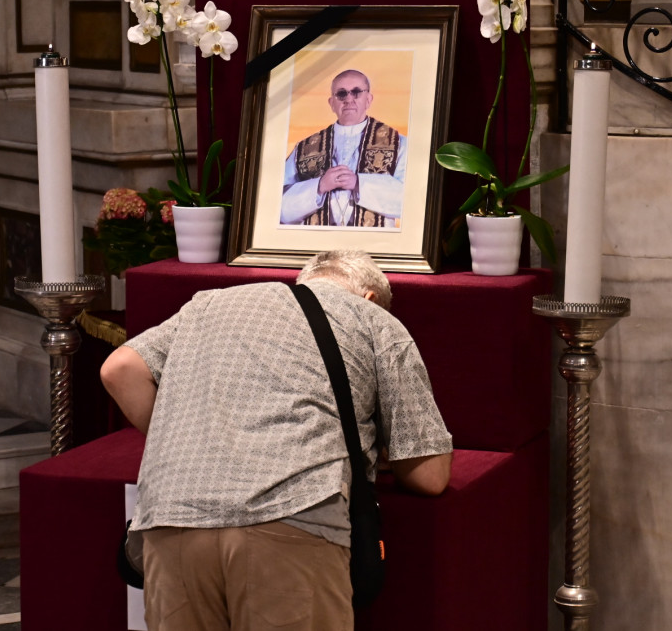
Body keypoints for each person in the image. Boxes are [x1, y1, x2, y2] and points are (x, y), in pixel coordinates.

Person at [100, 250, 453, 631]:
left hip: (172, 518)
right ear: (370, 298)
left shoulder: (209, 304)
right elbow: (428, 474)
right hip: (292, 513)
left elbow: (121, 369)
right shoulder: (372, 319)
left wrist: (192, 436)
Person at [280, 69, 408, 226]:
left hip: (374, 245)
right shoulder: (304, 148)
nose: (348, 99)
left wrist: (359, 184)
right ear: (331, 103)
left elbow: (410, 202)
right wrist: (319, 187)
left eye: (356, 92)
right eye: (341, 94)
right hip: (314, 243)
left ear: (368, 99)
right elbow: (278, 208)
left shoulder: (398, 144)